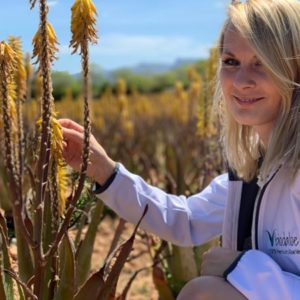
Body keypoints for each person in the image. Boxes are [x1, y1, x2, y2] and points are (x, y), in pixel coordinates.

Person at [59, 0, 300, 298]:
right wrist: (104, 170)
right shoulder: (252, 167)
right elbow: (185, 220)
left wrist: (241, 268)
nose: (241, 81)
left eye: (261, 62)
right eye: (230, 62)